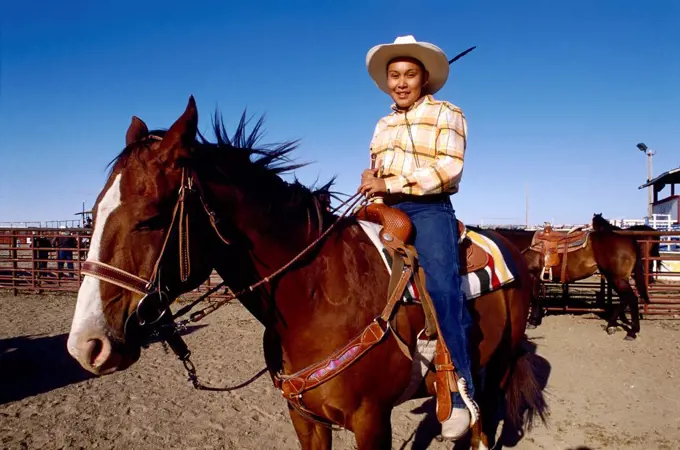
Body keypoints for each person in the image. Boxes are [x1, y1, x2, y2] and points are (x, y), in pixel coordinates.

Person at [359, 35, 475, 439]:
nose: (401, 82)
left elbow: (449, 168)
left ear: (424, 78)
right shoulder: (383, 123)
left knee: (443, 286)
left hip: (429, 208)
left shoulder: (448, 112)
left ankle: (460, 390)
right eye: (395, 76)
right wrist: (372, 180)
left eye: (410, 74)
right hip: (383, 207)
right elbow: (376, 167)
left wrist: (396, 181)